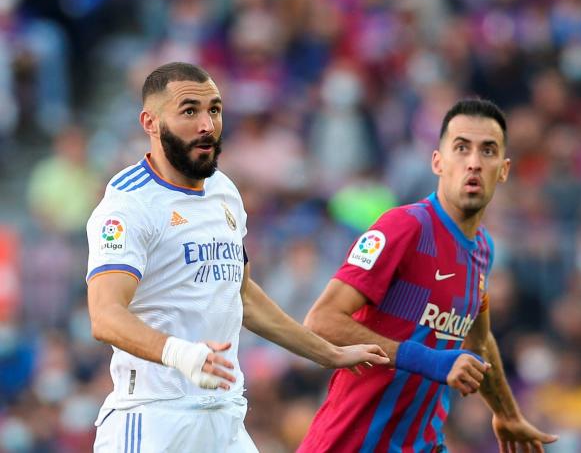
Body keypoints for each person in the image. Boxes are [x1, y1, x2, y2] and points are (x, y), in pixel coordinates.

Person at [85, 62, 389, 452]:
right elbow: (105, 315)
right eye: (189, 111)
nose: (207, 125)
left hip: (224, 417)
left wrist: (326, 352)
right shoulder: (128, 205)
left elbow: (241, 294)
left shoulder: (224, 191)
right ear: (151, 122)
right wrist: (181, 354)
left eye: (214, 109)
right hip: (153, 419)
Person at [299, 99, 560, 452]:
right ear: (438, 162)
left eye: (488, 151)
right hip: (351, 442)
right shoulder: (404, 228)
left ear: (503, 169)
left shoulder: (483, 248)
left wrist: (507, 414)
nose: (473, 163)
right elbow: (321, 320)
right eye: (461, 148)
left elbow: (477, 341)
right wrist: (429, 360)